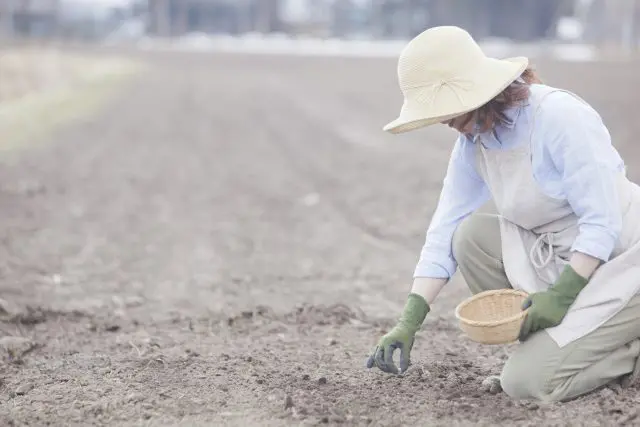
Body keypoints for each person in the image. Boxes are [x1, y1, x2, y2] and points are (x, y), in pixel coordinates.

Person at [365, 25, 640, 403]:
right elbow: (446, 228)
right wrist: (408, 321)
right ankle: (567, 344)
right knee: (471, 237)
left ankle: (628, 352)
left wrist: (561, 295)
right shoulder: (474, 141)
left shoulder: (560, 117)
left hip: (623, 263)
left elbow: (602, 222)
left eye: (442, 108)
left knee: (525, 385)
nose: (440, 121)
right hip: (563, 260)